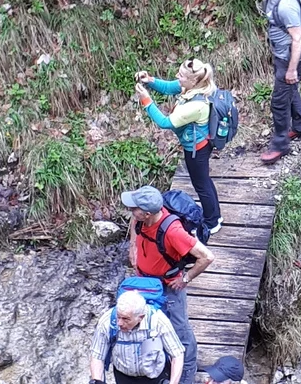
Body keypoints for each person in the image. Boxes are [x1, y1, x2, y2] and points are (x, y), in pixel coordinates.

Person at [122, 185, 215, 384]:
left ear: (147, 213)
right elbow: (133, 220)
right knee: (147, 325)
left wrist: (185, 279)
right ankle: (160, 364)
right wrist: (133, 245)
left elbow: (207, 257)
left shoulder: (173, 231)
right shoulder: (142, 217)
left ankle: (186, 376)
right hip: (145, 282)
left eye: (134, 208)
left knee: (180, 334)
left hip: (168, 288)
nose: (130, 210)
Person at [135, 59, 223, 233]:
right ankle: (215, 215)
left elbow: (165, 122)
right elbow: (169, 87)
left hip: (196, 149)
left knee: (201, 184)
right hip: (201, 142)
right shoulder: (197, 86)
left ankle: (212, 223)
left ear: (193, 81)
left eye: (181, 75)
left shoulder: (196, 106)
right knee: (204, 180)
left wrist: (146, 100)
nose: (177, 76)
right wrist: (150, 81)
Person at [245, 0, 301, 165]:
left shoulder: (286, 5)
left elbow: (298, 39)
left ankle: (280, 145)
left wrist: (291, 69)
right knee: (290, 93)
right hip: (282, 56)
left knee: (279, 102)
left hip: (290, 60)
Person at [89, 290, 185, 384]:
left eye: (126, 319)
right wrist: (97, 381)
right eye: (118, 317)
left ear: (141, 317)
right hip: (124, 377)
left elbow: (177, 354)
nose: (119, 323)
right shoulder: (107, 322)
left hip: (156, 376)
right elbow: (97, 356)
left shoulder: (158, 321)